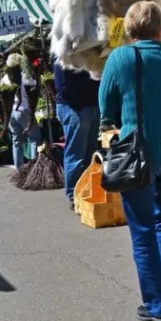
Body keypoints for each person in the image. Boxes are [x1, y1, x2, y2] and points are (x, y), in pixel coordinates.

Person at [99, 1, 161, 321]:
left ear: (130, 27)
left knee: (142, 230)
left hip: (139, 154)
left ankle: (156, 306)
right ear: (160, 26)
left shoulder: (122, 57)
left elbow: (105, 106)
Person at [53, 57, 100, 211]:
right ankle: (74, 193)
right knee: (77, 153)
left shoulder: (86, 50)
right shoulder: (64, 52)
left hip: (88, 105)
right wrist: (79, 104)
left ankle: (86, 190)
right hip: (76, 108)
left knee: (89, 152)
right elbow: (63, 84)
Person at [3, 54, 42, 169]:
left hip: (11, 113)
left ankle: (18, 168)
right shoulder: (23, 76)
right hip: (23, 110)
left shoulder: (5, 77)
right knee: (35, 138)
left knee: (16, 141)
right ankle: (35, 168)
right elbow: (35, 85)